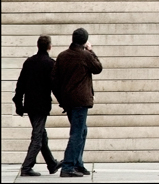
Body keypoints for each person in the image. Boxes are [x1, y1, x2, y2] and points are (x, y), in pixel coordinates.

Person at [52, 28, 103, 177]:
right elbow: (98, 68)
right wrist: (91, 50)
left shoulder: (62, 56)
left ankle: (78, 163)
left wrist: (61, 98)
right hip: (80, 101)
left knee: (82, 131)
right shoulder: (85, 55)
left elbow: (54, 80)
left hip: (68, 101)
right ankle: (68, 166)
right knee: (77, 133)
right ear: (84, 41)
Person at [13, 35, 61, 177]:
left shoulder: (29, 62)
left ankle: (52, 164)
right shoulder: (50, 63)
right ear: (49, 47)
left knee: (41, 135)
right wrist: (63, 102)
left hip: (30, 104)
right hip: (41, 105)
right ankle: (27, 167)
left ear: (37, 45)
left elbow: (20, 84)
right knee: (37, 137)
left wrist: (18, 102)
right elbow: (55, 87)